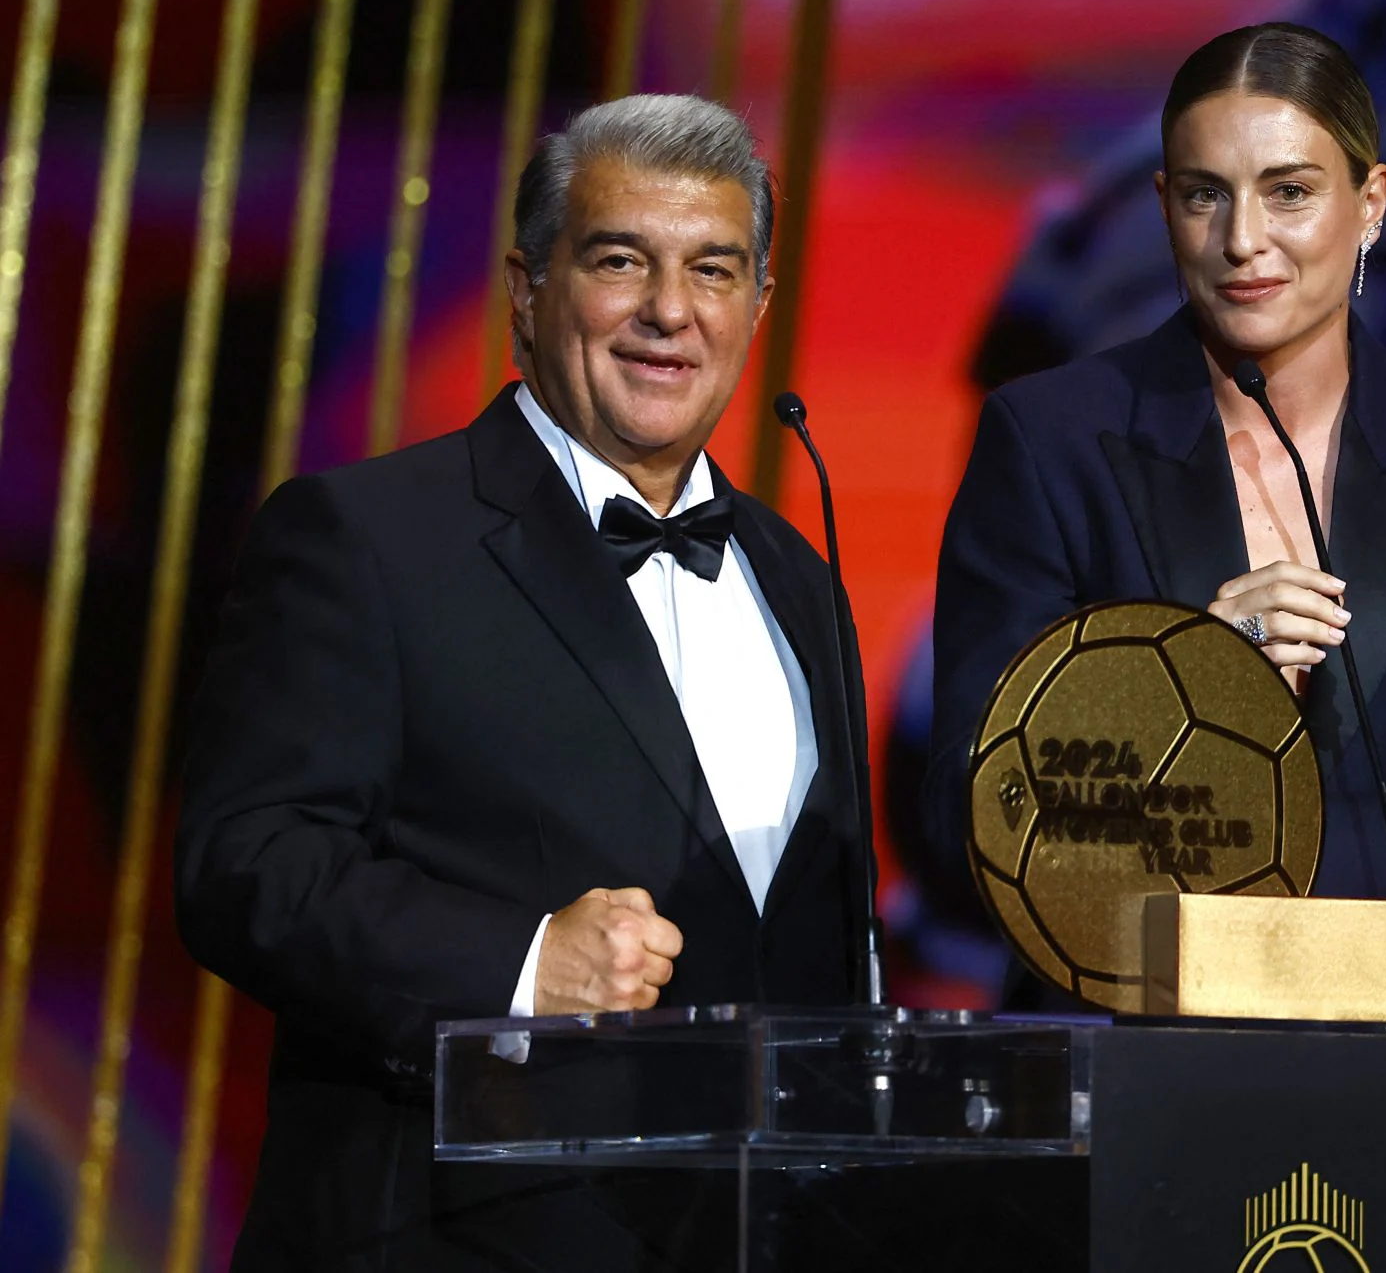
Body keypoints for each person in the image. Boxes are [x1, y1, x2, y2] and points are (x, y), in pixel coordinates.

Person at [175, 95, 868, 1267]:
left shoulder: (800, 575)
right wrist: (521, 962)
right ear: (528, 291)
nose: (668, 311)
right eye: (618, 260)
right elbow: (248, 863)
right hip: (447, 1236)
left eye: (713, 270)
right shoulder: (365, 536)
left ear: (756, 307)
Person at [927, 23, 1386, 1023]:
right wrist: (1188, 669)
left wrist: (1284, 862)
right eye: (1206, 194)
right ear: (1165, 208)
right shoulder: (1050, 439)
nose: (1243, 239)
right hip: (1108, 1054)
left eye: (1289, 191)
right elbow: (972, 801)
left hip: (1376, 1059)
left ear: (1370, 204)